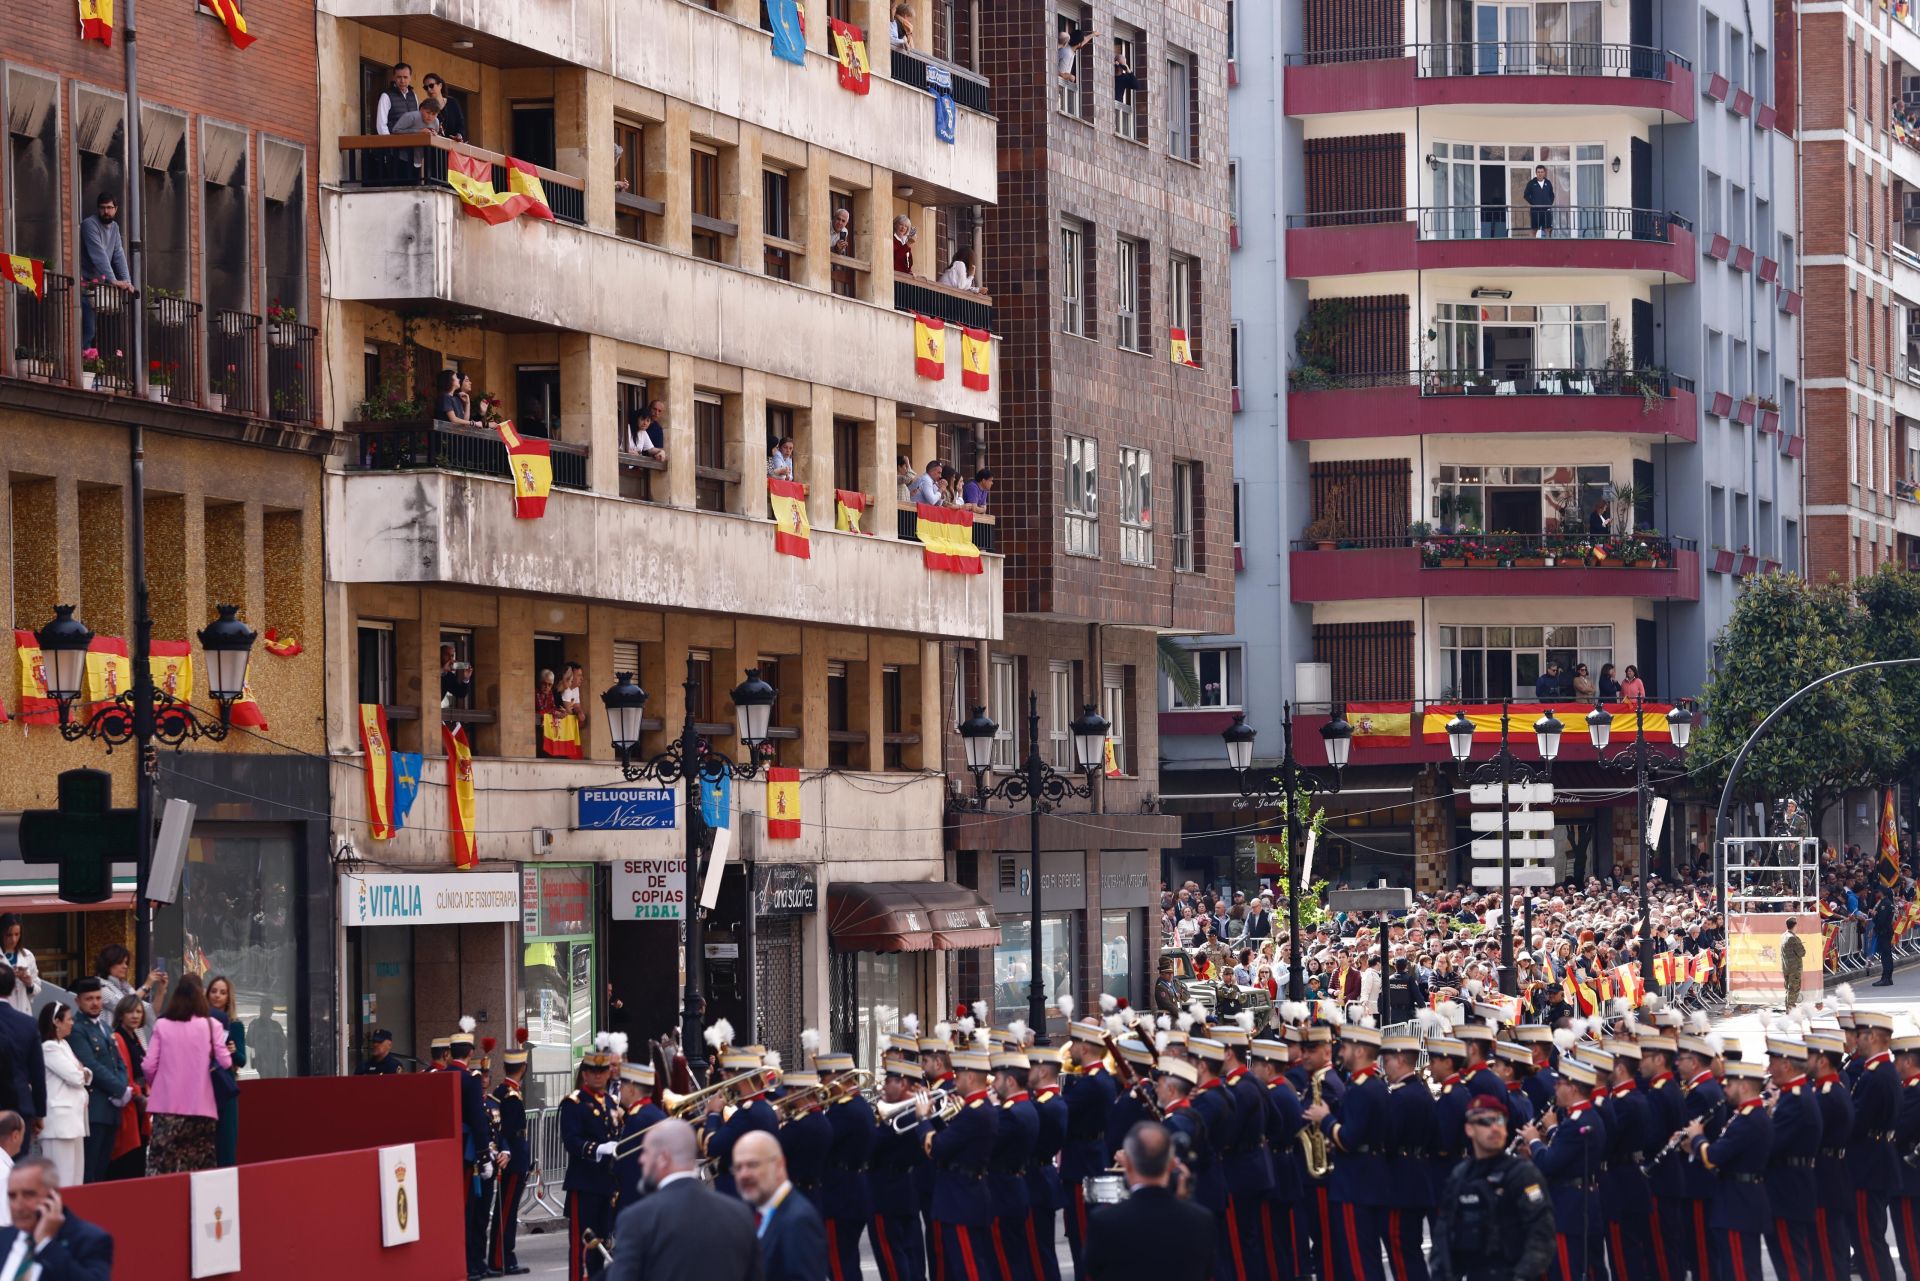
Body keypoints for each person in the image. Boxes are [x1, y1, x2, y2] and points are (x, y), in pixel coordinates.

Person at [607, 1118, 760, 1281]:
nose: (641, 1159)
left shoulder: (636, 1219)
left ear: (663, 1158)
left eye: (646, 1152)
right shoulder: (739, 1214)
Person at [1429, 1094, 1555, 1281]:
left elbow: (1541, 1235)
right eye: (1485, 1122)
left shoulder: (1522, 1174)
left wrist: (1522, 1277)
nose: (1494, 1127)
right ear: (1469, 1129)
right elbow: (1444, 1239)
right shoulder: (1461, 1176)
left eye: (1500, 1120)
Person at [1081, 1121, 1212, 1280]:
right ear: (1172, 1165)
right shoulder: (1200, 1220)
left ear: (1127, 1164)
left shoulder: (1104, 1220)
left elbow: (1093, 1268)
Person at [141, 973, 230, 1176]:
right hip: (202, 1107)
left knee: (163, 1165)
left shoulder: (162, 1025)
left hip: (166, 1107)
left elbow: (148, 1065)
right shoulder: (212, 1025)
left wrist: (159, 1084)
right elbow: (225, 1061)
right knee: (199, 1167)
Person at [560, 1042, 623, 1279]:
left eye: (602, 1071)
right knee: (583, 1246)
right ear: (584, 1074)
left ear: (608, 1073)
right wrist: (599, 1149)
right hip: (584, 1183)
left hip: (607, 1183)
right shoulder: (573, 1103)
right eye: (593, 1072)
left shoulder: (610, 1103)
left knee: (602, 1245)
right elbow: (571, 1141)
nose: (598, 1076)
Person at [733, 1129, 826, 1281]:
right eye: (738, 1168)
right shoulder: (766, 1213)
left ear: (779, 1165)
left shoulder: (798, 1220)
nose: (744, 1174)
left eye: (753, 1165)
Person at [0, 1158, 113, 1281]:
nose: (18, 1206)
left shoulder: (88, 1239)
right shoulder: (5, 1237)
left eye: (28, 1195)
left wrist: (46, 1244)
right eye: (12, 1196)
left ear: (53, 1196)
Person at [63, 982, 124, 1187]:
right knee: (89, 1172)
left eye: (98, 998)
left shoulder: (105, 1027)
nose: (95, 1003)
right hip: (94, 1108)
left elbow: (118, 1062)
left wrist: (123, 1087)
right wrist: (119, 1088)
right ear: (77, 1001)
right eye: (89, 999)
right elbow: (91, 1065)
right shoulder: (77, 1029)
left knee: (103, 1170)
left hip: (111, 1109)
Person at [490, 1049, 533, 1276]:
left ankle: (504, 1256)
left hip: (516, 1156)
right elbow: (508, 1130)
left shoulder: (503, 1091)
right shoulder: (509, 1095)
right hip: (513, 1158)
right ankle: (501, 1258)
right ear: (523, 1068)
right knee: (506, 1210)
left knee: (507, 1210)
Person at [40, 1004, 91, 1189]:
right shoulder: (49, 1047)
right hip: (59, 1123)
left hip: (74, 1120)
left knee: (76, 1178)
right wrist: (82, 1072)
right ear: (56, 1022)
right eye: (68, 1019)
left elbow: (83, 1072)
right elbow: (75, 1076)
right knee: (61, 1179)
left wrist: (82, 1072)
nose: (72, 1023)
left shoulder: (65, 1044)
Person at [77, 193, 132, 350]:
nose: (106, 211)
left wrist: (127, 281)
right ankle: (80, 364)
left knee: (99, 331)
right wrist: (113, 280)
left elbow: (119, 255)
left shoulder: (114, 228)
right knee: (89, 329)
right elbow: (98, 255)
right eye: (102, 208)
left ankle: (92, 364)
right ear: (98, 209)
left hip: (98, 287)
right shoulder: (89, 225)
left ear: (116, 209)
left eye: (109, 208)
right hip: (85, 284)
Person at [105, 996, 148, 1180]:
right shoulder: (118, 1037)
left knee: (138, 1156)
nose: (135, 1016)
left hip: (140, 1103)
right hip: (129, 1103)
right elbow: (124, 1073)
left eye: (138, 1012)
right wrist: (139, 1095)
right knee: (127, 1157)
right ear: (121, 1014)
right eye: (130, 1012)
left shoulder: (136, 1038)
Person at [205, 975, 245, 1167]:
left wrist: (233, 1051)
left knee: (226, 1142)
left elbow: (242, 1060)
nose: (217, 996)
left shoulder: (235, 1024)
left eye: (222, 992)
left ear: (228, 997)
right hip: (202, 1086)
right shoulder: (199, 1022)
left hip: (225, 1084)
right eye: (213, 991)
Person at [0, 971, 43, 1148]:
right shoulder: (27, 1023)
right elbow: (37, 1073)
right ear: (12, 989)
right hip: (19, 1107)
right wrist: (39, 1113)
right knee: (18, 1170)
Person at [93, 946, 164, 1025]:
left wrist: (161, 989)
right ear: (108, 964)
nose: (125, 966)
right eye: (120, 962)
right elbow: (125, 1006)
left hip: (131, 1036)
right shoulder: (99, 986)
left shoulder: (125, 986)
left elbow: (151, 1012)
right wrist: (146, 985)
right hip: (112, 1036)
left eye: (126, 963)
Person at [0, 919, 37, 1018]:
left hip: (23, 1012)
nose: (13, 939)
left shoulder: (28, 955)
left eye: (17, 934)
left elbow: (37, 988)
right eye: (9, 935)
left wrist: (29, 983)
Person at [374, 62, 418, 134]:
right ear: (394, 77)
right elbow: (381, 125)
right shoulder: (386, 96)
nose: (402, 81)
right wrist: (389, 143)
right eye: (399, 77)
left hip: (413, 141)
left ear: (410, 78)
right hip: (394, 142)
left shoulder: (413, 95)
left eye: (405, 77)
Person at [421, 73, 466, 141]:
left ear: (440, 85)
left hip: (452, 147)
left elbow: (460, 124)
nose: (429, 89)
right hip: (434, 148)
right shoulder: (424, 106)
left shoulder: (452, 102)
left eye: (431, 85)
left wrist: (459, 135)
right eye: (426, 87)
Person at [1524, 164, 1555, 236]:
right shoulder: (1531, 183)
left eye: (1541, 172)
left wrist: (1549, 203)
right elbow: (1526, 195)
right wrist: (1533, 203)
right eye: (1538, 172)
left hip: (1546, 210)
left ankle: (1548, 245)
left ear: (1544, 173)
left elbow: (1552, 195)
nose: (1540, 174)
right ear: (1536, 173)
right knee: (1534, 229)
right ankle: (1532, 246)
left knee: (1547, 229)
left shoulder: (1548, 182)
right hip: (1535, 210)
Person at [1781, 918, 1806, 1005]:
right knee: (1793, 989)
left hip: (1786, 967)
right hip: (1794, 969)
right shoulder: (1793, 938)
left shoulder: (1783, 936)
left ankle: (1788, 1007)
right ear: (1795, 926)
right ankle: (1791, 1009)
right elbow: (1802, 953)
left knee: (1788, 989)